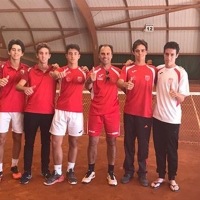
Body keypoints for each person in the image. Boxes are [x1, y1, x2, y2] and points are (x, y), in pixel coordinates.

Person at [44, 44, 88, 186]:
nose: (72, 56)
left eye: (75, 53)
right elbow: (53, 74)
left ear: (79, 56)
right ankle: (57, 172)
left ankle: (70, 170)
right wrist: (57, 74)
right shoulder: (61, 70)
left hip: (76, 113)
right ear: (66, 56)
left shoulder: (83, 73)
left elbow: (91, 84)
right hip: (61, 111)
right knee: (56, 142)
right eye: (70, 53)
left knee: (73, 142)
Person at [151, 41, 190, 192]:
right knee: (159, 149)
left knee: (171, 150)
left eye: (172, 55)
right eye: (166, 54)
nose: (169, 57)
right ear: (163, 54)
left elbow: (182, 98)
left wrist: (176, 94)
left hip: (172, 120)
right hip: (157, 118)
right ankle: (160, 175)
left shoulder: (181, 73)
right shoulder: (158, 70)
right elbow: (147, 74)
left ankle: (172, 178)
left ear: (177, 55)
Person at [117, 39, 157, 187]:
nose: (140, 53)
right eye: (137, 51)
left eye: (142, 50)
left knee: (143, 146)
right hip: (129, 113)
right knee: (128, 144)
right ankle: (128, 171)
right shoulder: (127, 69)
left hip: (145, 114)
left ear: (146, 52)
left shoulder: (153, 70)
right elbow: (119, 82)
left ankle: (142, 173)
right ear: (133, 52)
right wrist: (125, 84)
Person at [16, 43, 57, 184]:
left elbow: (69, 72)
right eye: (41, 53)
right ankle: (27, 171)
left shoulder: (55, 71)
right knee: (29, 143)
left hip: (48, 113)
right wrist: (24, 88)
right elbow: (18, 85)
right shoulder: (30, 71)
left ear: (49, 56)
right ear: (37, 55)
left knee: (46, 143)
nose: (43, 56)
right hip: (31, 113)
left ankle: (45, 170)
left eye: (46, 53)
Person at [81, 44, 121, 186]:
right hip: (95, 112)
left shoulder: (118, 72)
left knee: (112, 142)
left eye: (108, 53)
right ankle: (91, 170)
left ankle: (111, 172)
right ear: (99, 55)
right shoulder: (93, 71)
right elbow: (87, 86)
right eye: (102, 54)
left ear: (112, 55)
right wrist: (90, 79)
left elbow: (125, 83)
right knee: (93, 142)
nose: (105, 56)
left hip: (112, 113)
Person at [0, 39, 29, 182]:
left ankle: (14, 166)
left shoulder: (27, 69)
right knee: (1, 139)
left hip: (19, 109)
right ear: (9, 52)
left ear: (22, 53)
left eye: (18, 50)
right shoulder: (1, 67)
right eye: (13, 49)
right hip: (3, 108)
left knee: (17, 138)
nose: (16, 52)